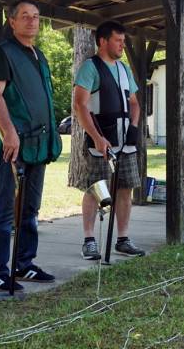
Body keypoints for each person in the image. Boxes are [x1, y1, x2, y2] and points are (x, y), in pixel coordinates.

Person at [0, 0, 61, 292]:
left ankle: (24, 264)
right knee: (6, 210)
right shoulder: (3, 53)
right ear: (12, 21)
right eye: (25, 16)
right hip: (13, 145)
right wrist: (8, 132)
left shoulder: (39, 55)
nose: (31, 21)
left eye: (36, 17)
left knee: (30, 209)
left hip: (38, 144)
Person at [72, 20, 145, 260]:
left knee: (125, 188)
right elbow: (80, 105)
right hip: (100, 143)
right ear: (103, 41)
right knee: (96, 189)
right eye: (118, 40)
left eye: (124, 41)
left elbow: (134, 102)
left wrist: (134, 127)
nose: (123, 45)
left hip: (126, 142)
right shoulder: (90, 68)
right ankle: (88, 240)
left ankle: (123, 239)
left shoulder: (124, 69)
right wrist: (96, 137)